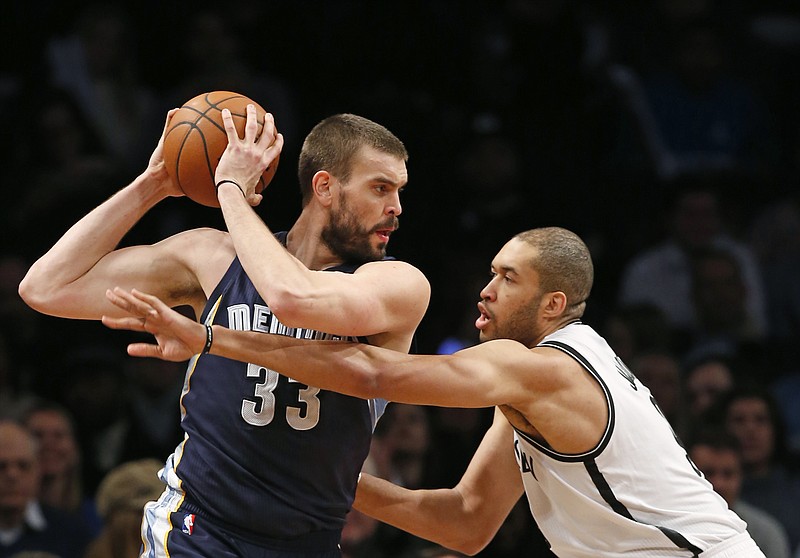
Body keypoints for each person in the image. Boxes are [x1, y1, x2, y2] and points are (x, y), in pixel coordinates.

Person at [103, 226, 763, 556]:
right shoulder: (545, 389)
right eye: (489, 273)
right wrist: (322, 476)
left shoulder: (541, 368)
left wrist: (212, 340)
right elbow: (466, 521)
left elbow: (371, 374)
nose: (486, 289)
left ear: (553, 302)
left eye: (507, 278)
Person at [18, 103, 430, 558]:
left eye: (398, 190)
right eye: (380, 188)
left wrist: (229, 190)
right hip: (197, 528)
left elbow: (292, 299)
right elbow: (45, 288)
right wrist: (154, 183)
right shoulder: (214, 258)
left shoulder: (399, 285)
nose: (396, 207)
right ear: (325, 187)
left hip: (306, 542)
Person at [688, 428, 791, 558]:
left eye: (728, 474)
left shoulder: (766, 535)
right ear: (690, 475)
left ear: (741, 477)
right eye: (708, 473)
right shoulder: (665, 528)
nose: (719, 483)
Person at [0, 420, 91, 558]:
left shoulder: (72, 534)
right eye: (1, 466)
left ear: (38, 470)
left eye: (23, 466)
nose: (12, 475)